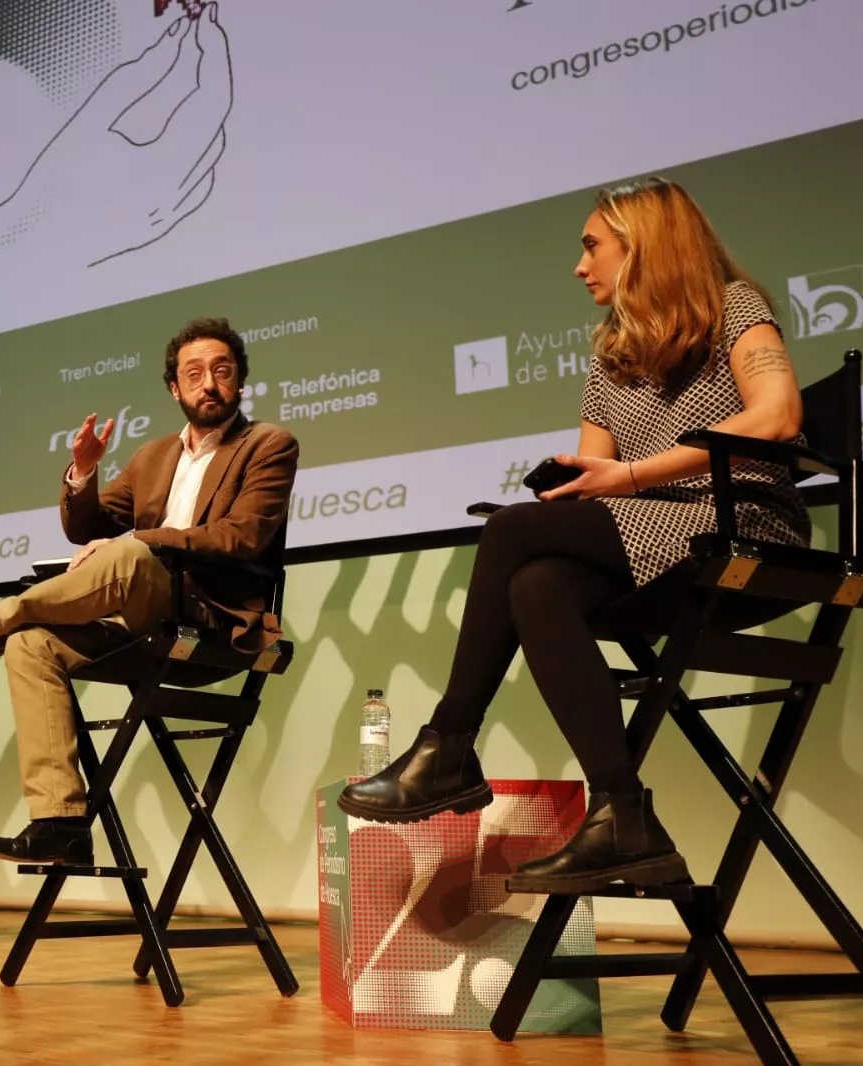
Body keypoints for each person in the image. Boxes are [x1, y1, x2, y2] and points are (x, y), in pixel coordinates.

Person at [339, 177, 810, 894]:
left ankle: (448, 746)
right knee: (537, 581)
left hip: (742, 527)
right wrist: (581, 485)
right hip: (659, 541)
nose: (578, 265)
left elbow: (775, 418)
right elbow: (590, 473)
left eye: (592, 247)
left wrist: (626, 478)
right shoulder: (611, 355)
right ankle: (622, 813)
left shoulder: (733, 309)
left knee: (512, 533)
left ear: (642, 246)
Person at [0, 318, 299, 864]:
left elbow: (243, 535)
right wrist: (83, 472)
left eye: (222, 372)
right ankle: (59, 824)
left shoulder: (268, 444)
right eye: (194, 373)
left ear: (239, 382)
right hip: (144, 623)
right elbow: (87, 530)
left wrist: (140, 539)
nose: (209, 383)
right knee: (31, 646)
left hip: (210, 622)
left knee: (130, 553)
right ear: (173, 387)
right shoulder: (152, 456)